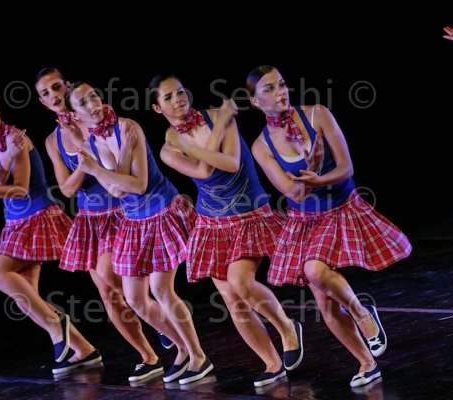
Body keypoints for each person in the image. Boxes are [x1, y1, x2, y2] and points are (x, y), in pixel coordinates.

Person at [246, 65, 412, 387]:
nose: (280, 92)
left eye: (282, 84)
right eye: (269, 89)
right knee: (324, 303)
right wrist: (310, 170)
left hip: (341, 206)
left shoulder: (317, 114)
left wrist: (319, 175)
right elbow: (293, 192)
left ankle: (362, 313)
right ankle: (367, 363)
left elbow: (347, 168)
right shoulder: (261, 146)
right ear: (254, 101)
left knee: (314, 270)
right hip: (305, 219)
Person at [149, 74, 304, 388]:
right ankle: (272, 363)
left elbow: (231, 162)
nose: (178, 98)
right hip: (213, 224)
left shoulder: (218, 116)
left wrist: (219, 123)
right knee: (233, 300)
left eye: (180, 91)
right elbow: (204, 170)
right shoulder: (169, 149)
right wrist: (215, 126)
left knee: (240, 281)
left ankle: (287, 327)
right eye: (168, 97)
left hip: (249, 213)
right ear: (157, 108)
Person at [63, 81, 212, 384]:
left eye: (93, 96)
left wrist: (97, 170)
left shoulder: (128, 128)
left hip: (161, 211)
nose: (92, 103)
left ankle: (199, 356)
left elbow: (139, 185)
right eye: (83, 102)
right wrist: (106, 171)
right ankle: (183, 348)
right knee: (134, 297)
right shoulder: (89, 146)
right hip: (134, 221)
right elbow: (117, 191)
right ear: (75, 114)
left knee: (162, 289)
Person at [34, 68, 173, 379]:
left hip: (120, 210)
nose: (53, 95)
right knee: (108, 294)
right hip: (90, 219)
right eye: (45, 93)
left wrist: (89, 157)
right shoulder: (53, 140)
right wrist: (84, 166)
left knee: (111, 275)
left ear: (66, 86)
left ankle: (160, 321)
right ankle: (149, 356)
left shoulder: (95, 118)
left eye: (56, 87)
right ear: (42, 102)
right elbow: (66, 189)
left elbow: (117, 166)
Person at [0, 89, 101, 375]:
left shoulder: (18, 138)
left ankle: (57, 326)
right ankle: (84, 349)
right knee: (27, 298)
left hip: (38, 216)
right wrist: (3, 162)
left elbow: (20, 189)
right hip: (14, 224)